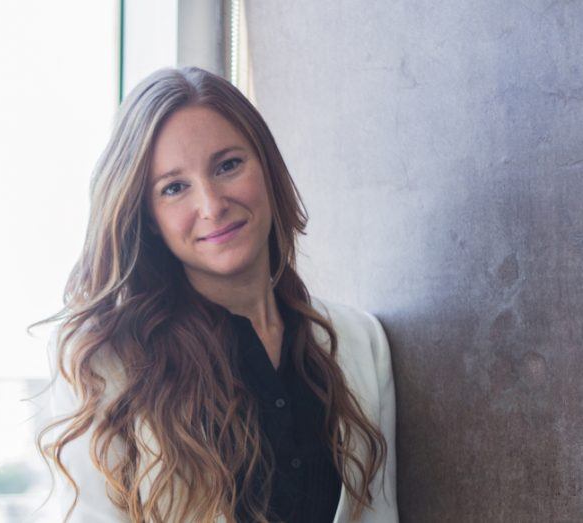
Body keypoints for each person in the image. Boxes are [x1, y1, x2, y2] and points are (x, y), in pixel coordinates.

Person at [30, 66, 398, 523]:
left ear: (266, 166)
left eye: (228, 165)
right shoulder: (103, 362)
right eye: (175, 188)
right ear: (147, 217)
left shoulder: (361, 342)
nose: (211, 204)